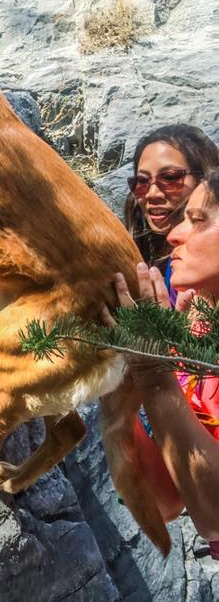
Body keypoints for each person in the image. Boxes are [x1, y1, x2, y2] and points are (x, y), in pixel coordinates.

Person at [109, 167, 219, 550]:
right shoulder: (196, 322)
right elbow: (168, 501)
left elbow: (215, 518)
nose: (173, 234)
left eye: (197, 220)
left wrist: (153, 375)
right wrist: (116, 394)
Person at [123, 124, 219, 296]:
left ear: (206, 179)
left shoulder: (204, 276)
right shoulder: (138, 255)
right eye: (142, 181)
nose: (152, 194)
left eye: (170, 178)